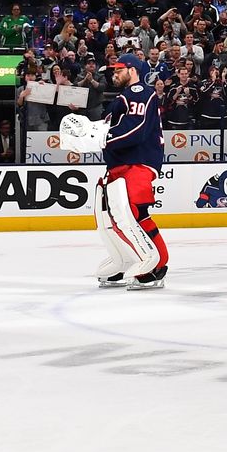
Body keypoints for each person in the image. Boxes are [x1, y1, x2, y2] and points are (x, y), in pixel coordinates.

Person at [65, 54, 169, 288]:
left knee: (130, 213)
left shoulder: (140, 92)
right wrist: (86, 136)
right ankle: (126, 259)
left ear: (132, 70)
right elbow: (108, 129)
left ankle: (156, 265)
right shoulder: (123, 98)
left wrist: (102, 138)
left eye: (118, 69)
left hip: (138, 162)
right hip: (120, 164)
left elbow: (136, 129)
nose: (114, 74)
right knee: (111, 215)